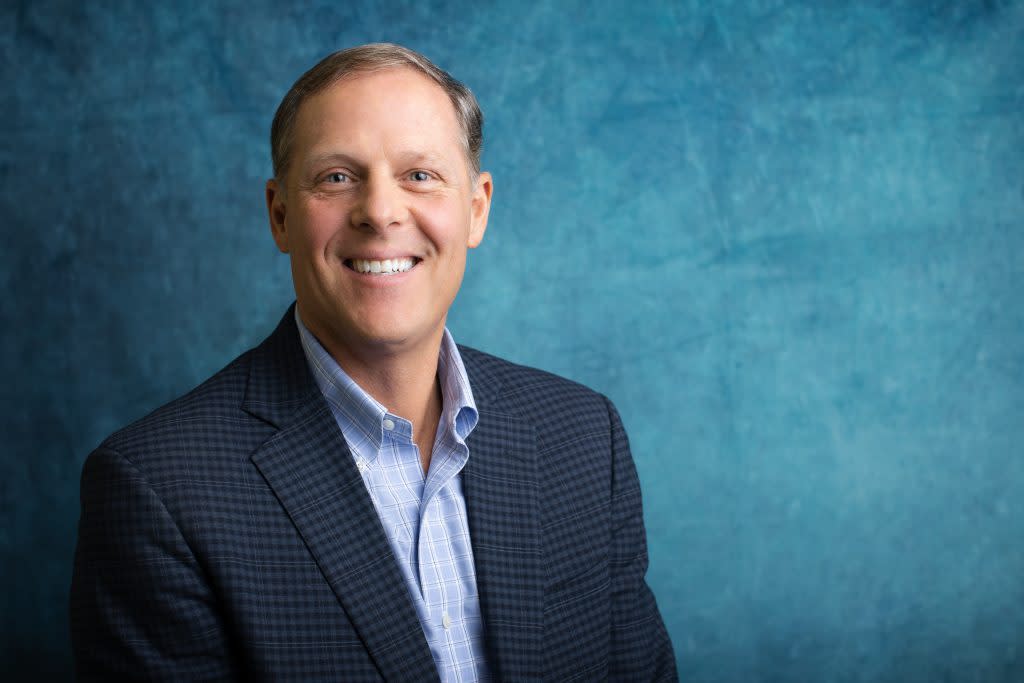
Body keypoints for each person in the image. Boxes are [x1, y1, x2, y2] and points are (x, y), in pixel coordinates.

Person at [70, 43, 677, 682]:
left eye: (419, 175)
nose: (380, 212)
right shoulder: (158, 489)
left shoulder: (581, 436)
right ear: (280, 216)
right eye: (337, 177)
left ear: (476, 208)